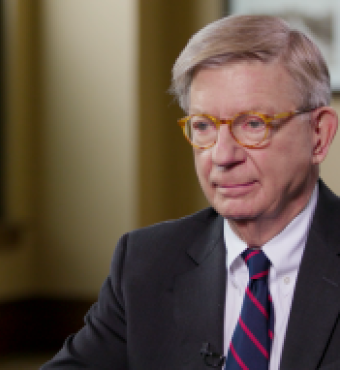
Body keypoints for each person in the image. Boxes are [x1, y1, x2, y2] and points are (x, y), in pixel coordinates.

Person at [41, 14, 340, 370]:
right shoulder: (145, 264)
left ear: (319, 135)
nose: (222, 156)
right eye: (203, 126)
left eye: (253, 124)